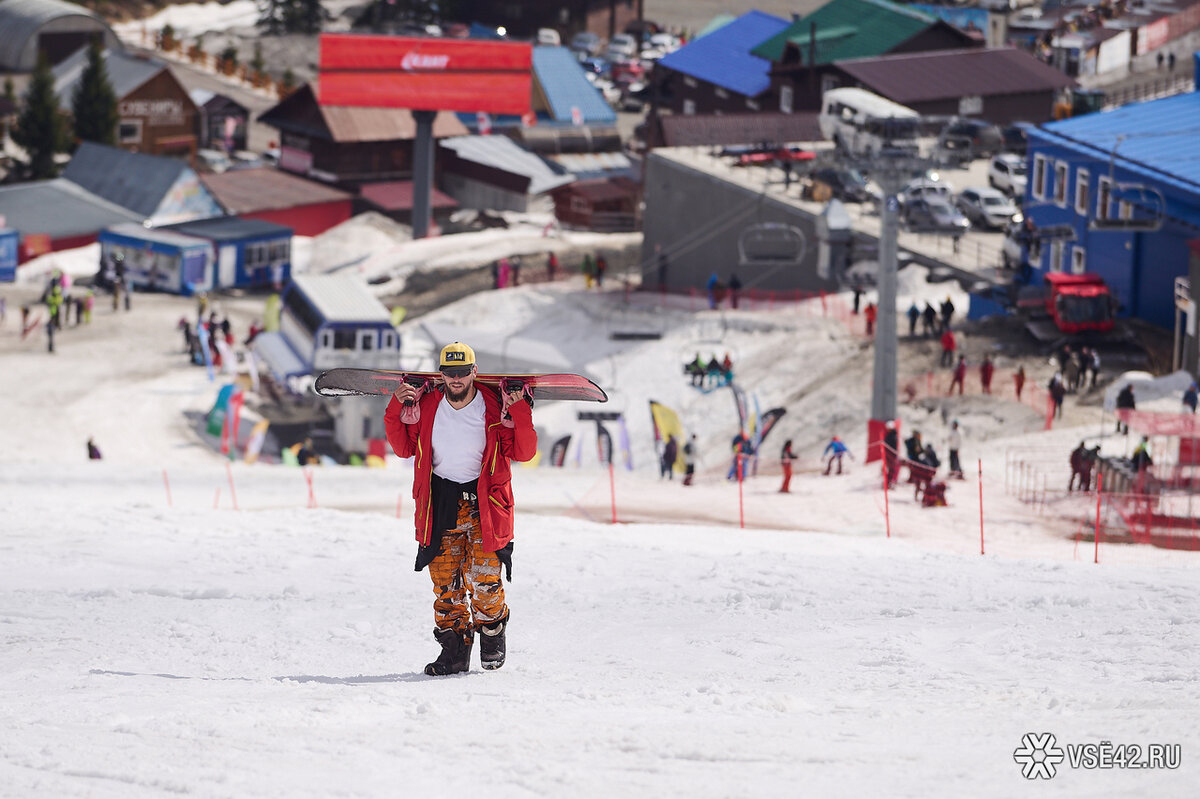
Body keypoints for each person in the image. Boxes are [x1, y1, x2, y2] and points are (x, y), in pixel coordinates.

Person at [384, 342, 536, 676]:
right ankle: (454, 651)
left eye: (463, 372)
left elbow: (524, 452)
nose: (456, 379)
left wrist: (521, 409)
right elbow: (403, 447)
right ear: (441, 375)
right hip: (440, 504)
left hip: (485, 506)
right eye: (450, 373)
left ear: (474, 372)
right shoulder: (426, 404)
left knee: (485, 582)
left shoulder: (495, 406)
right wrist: (396, 408)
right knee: (445, 585)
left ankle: (493, 632)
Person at [882, 420, 899, 488]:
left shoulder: (892, 436)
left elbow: (891, 447)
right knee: (890, 469)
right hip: (889, 455)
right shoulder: (890, 435)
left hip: (891, 455)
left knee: (892, 469)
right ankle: (888, 482)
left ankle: (890, 482)